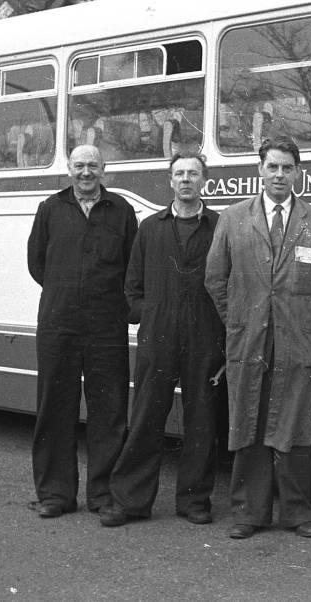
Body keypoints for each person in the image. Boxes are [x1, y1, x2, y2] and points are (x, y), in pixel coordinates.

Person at [205, 136, 311, 540]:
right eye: (273, 167)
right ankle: (249, 513)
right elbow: (215, 279)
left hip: (298, 341)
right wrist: (241, 320)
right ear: (259, 171)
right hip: (250, 341)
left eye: (287, 168)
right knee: (249, 421)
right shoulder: (233, 219)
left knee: (297, 426)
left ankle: (297, 512)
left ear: (298, 173)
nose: (279, 175)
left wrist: (294, 317)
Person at [100, 154, 225, 528]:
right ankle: (131, 501)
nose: (186, 180)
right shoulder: (151, 228)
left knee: (202, 418)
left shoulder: (220, 227)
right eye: (179, 174)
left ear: (205, 180)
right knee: (145, 417)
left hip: (205, 336)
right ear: (170, 181)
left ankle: (194, 501)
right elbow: (131, 286)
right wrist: (149, 314)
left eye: (193, 174)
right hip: (159, 335)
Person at [26, 144, 137, 518]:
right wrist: (67, 291)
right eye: (79, 166)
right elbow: (37, 264)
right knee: (55, 408)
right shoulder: (50, 210)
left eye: (92, 165)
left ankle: (104, 495)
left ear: (103, 169)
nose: (86, 172)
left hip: (107, 325)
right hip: (60, 324)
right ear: (68, 169)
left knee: (110, 411)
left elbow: (131, 267)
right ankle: (55, 494)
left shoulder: (121, 211)